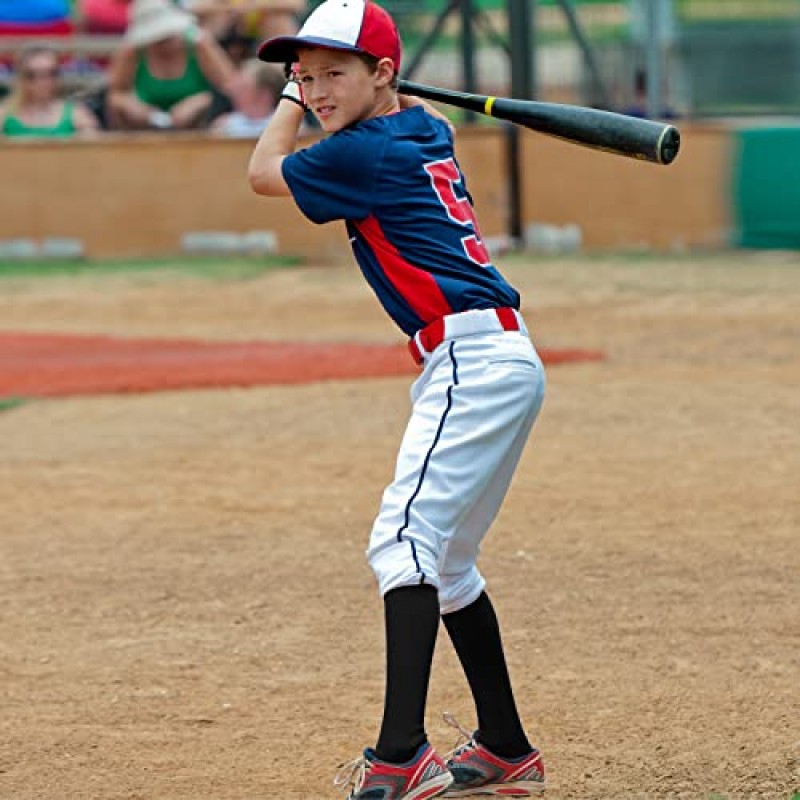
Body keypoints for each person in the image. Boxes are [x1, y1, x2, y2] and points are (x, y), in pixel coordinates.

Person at [248, 2, 547, 798]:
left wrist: (283, 103)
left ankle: (400, 755)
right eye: (304, 77)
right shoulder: (419, 129)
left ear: (385, 73)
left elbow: (260, 174)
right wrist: (345, 89)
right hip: (501, 357)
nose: (314, 91)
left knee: (403, 545)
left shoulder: (367, 148)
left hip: (469, 361)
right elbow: (374, 120)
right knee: (446, 566)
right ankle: (506, 746)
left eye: (333, 73)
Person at [106, 0, 237, 130]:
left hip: (199, 131)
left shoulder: (200, 46)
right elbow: (114, 94)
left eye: (170, 36)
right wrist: (132, 106)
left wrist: (200, 101)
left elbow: (231, 88)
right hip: (143, 133)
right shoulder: (132, 52)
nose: (167, 44)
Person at [0, 44, 99, 138]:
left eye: (51, 73)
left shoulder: (77, 115)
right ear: (21, 77)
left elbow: (94, 150)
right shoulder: (3, 115)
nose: (42, 81)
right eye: (32, 75)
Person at [210, 58, 283, 137]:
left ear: (264, 94)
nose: (236, 93)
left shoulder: (288, 126)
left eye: (243, 88)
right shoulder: (223, 128)